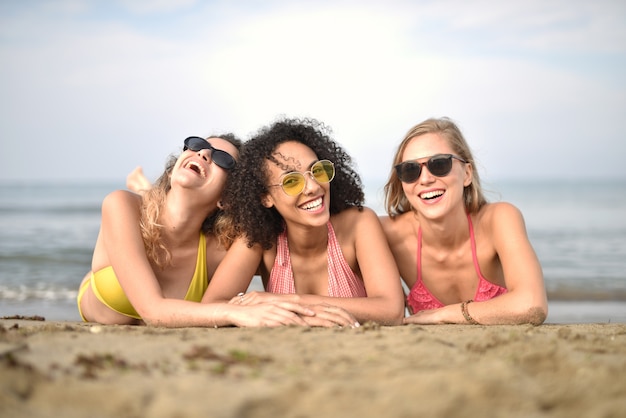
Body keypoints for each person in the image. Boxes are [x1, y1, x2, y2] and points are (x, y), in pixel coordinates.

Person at [77, 134, 318, 328]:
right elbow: (152, 311)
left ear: (227, 198)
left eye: (222, 159)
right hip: (99, 288)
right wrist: (234, 313)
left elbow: (289, 245)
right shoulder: (121, 205)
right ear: (173, 170)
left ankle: (144, 187)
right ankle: (142, 188)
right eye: (196, 145)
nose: (203, 153)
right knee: (144, 202)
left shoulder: (219, 251)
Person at [203, 117, 405, 326]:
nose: (312, 187)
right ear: (266, 197)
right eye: (291, 181)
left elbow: (392, 310)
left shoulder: (359, 223)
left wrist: (290, 302)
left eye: (317, 170)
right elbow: (213, 304)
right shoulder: (261, 238)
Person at [381, 117, 548, 325]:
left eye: (439, 164)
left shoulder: (499, 219)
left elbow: (532, 305)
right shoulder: (388, 234)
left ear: (467, 173)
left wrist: (443, 315)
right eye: (410, 170)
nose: (424, 179)